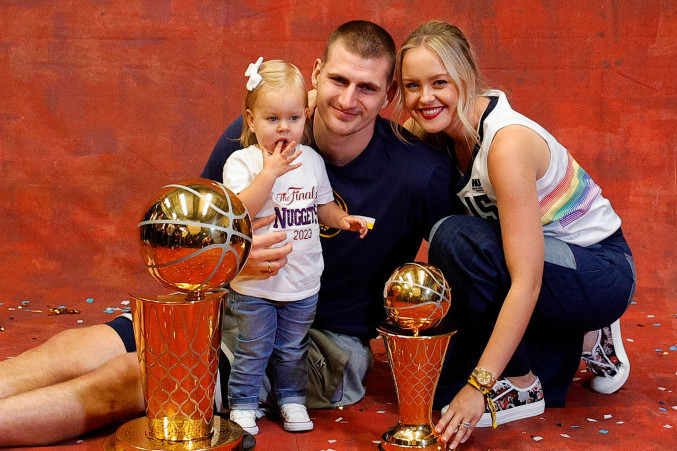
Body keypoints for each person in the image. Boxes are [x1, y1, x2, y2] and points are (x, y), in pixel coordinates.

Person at [0, 20, 456, 447]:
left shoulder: (419, 171)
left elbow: (461, 262)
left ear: (388, 93)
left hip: (317, 343)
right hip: (237, 301)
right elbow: (199, 235)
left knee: (127, 378)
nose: (348, 99)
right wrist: (235, 257)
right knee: (76, 349)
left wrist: (482, 381)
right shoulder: (255, 134)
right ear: (317, 73)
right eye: (339, 80)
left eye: (368, 88)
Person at [392, 20, 636, 450]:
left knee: (456, 237)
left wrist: (481, 386)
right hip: (531, 261)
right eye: (412, 86)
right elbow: (377, 145)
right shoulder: (432, 131)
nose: (424, 98)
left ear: (467, 75)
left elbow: (526, 279)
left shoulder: (507, 145)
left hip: (597, 268)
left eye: (439, 82)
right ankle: (579, 340)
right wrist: (314, 101)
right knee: (443, 392)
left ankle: (522, 381)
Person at [223, 57, 368, 435]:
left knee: (292, 349)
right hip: (256, 286)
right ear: (251, 120)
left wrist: (342, 220)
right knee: (253, 348)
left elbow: (323, 207)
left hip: (302, 283)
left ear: (306, 116)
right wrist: (269, 173)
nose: (284, 128)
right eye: (272, 119)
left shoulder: (312, 162)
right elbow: (239, 212)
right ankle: (243, 403)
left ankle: (291, 399)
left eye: (293, 118)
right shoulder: (243, 162)